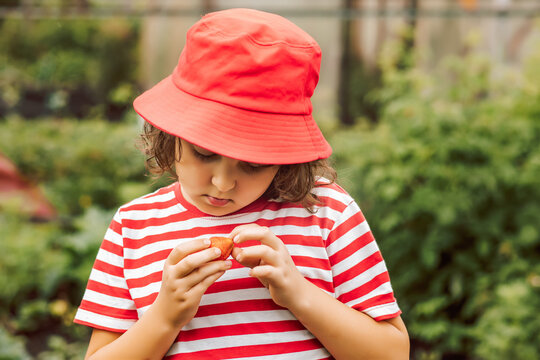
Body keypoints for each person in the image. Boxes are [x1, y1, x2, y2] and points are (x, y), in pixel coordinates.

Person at [74, 8, 409, 360]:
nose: (222, 183)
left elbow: (391, 354)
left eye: (254, 164)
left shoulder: (326, 212)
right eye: (204, 153)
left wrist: (298, 293)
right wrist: (164, 316)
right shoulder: (134, 226)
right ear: (170, 134)